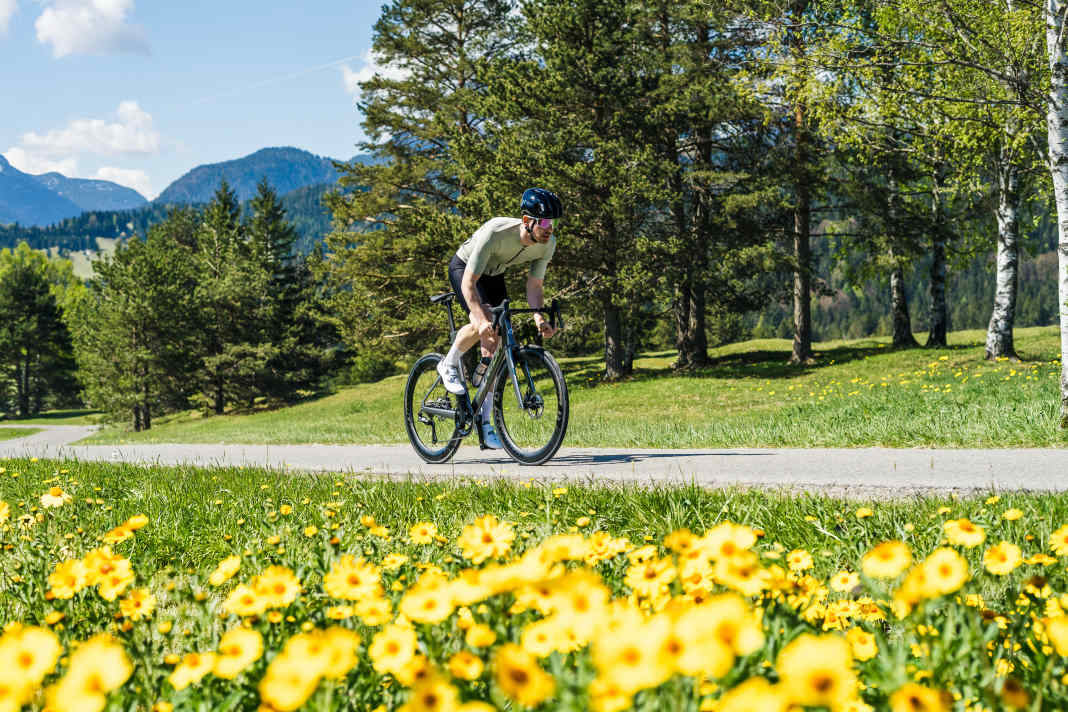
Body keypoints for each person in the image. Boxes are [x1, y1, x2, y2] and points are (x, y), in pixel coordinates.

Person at [436, 187, 563, 449]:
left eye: (555, 222)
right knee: (480, 322)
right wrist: (480, 319)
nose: (551, 228)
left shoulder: (547, 244)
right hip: (466, 269)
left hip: (494, 275)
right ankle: (448, 364)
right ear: (527, 221)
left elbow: (535, 286)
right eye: (546, 222)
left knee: (494, 345)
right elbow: (469, 284)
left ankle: (484, 423)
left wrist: (538, 317)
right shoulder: (496, 232)